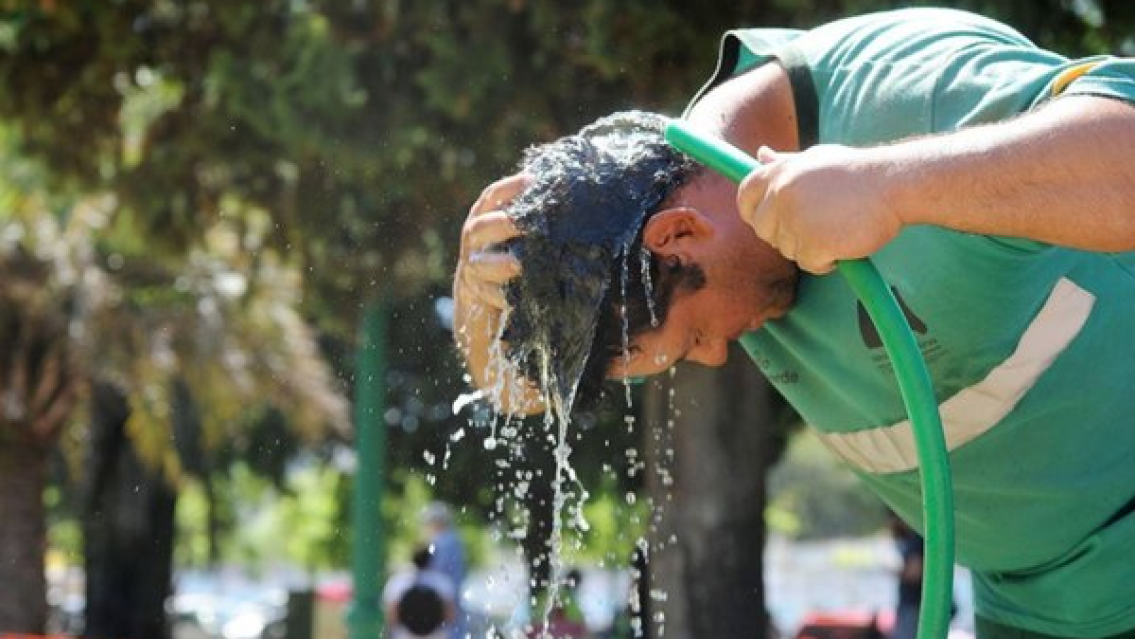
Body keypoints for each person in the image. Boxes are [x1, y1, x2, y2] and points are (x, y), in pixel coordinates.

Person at [453, 7, 1135, 639]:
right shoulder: (708, 242)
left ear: (680, 232)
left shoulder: (896, 86)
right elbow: (517, 393)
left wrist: (892, 184)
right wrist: (475, 290)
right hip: (1038, 609)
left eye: (693, 337)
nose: (719, 355)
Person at [383, 545, 457, 639]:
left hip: (404, 635)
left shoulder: (398, 582)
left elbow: (391, 616)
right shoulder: (442, 582)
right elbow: (450, 616)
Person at [421, 501, 468, 639]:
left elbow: (435, 571)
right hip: (453, 595)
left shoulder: (441, 542)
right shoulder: (455, 540)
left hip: (443, 598)